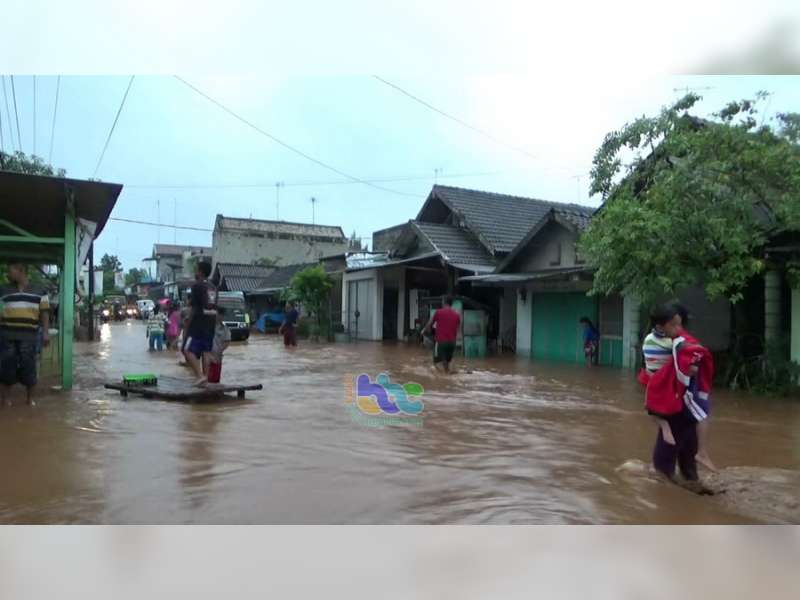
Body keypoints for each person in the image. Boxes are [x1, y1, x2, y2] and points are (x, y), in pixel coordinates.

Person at [640, 303, 714, 490]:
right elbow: (688, 369)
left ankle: (685, 480)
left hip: (672, 396)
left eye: (679, 325)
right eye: (674, 325)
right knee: (678, 434)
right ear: (661, 326)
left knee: (685, 437)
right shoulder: (671, 344)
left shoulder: (654, 339)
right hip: (672, 396)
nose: (678, 329)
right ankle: (671, 482)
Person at [0, 263, 50, 407]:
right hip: (7, 334)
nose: (8, 275)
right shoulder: (3, 290)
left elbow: (45, 313)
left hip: (29, 335)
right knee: (6, 366)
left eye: (11, 271)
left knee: (29, 366)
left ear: (21, 272)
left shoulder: (40, 290)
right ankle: (5, 400)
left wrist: (45, 333)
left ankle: (29, 400)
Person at [675, 303, 717, 472]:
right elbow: (693, 369)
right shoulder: (684, 340)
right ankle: (702, 453)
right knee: (702, 415)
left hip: (679, 390)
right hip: (686, 390)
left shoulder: (677, 340)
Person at [186, 261, 217, 386]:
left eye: (196, 270)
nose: (195, 272)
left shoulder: (197, 286)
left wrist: (188, 322)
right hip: (211, 322)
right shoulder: (213, 287)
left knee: (187, 350)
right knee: (206, 351)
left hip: (198, 323)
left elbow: (193, 308)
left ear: (200, 272)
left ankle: (200, 376)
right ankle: (205, 380)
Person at [423, 296, 461, 374]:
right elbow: (458, 331)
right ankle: (448, 375)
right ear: (451, 304)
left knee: (437, 363)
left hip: (441, 342)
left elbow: (429, 325)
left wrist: (424, 331)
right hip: (452, 343)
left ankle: (443, 379)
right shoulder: (457, 315)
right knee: (447, 363)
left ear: (444, 302)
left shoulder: (439, 312)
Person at [207, 306, 231, 384]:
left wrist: (219, 351)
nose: (220, 317)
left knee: (215, 378)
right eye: (218, 315)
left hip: (217, 356)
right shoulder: (208, 326)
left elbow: (227, 342)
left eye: (222, 315)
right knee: (207, 377)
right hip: (207, 355)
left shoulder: (225, 329)